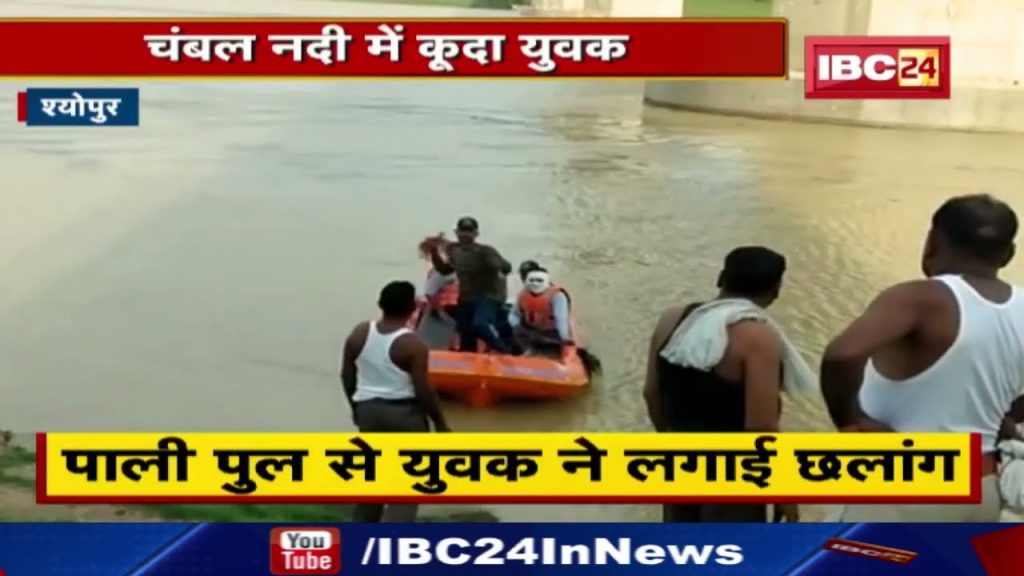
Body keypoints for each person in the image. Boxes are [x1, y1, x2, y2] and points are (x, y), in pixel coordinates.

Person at [821, 193, 1023, 522]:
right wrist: (1001, 414)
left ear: (931, 242)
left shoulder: (922, 298)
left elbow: (842, 355)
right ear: (1009, 253)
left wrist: (850, 421)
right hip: (982, 488)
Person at [643, 246, 799, 523]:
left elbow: (651, 393)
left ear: (720, 278)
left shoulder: (673, 319)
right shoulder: (758, 337)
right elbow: (761, 427)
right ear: (776, 290)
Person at [340, 280, 450, 523]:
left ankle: (358, 540)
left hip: (368, 411)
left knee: (372, 479)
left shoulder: (360, 333)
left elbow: (347, 375)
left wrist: (355, 407)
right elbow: (424, 389)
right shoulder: (413, 344)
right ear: (413, 308)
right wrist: (440, 424)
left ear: (380, 304)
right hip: (404, 415)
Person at [430, 217, 513, 353]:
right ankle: (469, 356)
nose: (465, 235)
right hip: (467, 297)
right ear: (456, 232)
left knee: (479, 323)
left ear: (476, 234)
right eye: (462, 231)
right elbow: (446, 270)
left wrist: (497, 265)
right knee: (464, 331)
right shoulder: (453, 250)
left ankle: (503, 351)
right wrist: (434, 254)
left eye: (469, 231)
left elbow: (506, 267)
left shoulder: (485, 251)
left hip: (489, 295)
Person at [509, 267, 573, 349]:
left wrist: (565, 337)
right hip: (528, 330)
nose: (535, 283)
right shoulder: (522, 294)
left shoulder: (558, 296)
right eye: (532, 280)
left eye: (539, 280)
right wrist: (516, 326)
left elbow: (561, 319)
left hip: (550, 331)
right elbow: (514, 313)